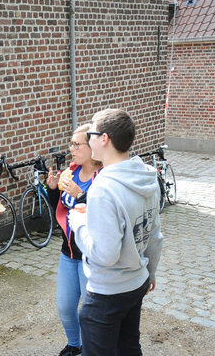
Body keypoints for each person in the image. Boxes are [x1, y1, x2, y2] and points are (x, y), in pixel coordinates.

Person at [69, 109, 163, 356]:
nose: (88, 140)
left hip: (107, 293)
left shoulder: (104, 188)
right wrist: (150, 272)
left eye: (91, 134)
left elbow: (105, 254)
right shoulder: (147, 177)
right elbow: (154, 235)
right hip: (137, 283)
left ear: (104, 139)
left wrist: (78, 223)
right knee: (129, 348)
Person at [47, 124, 103, 356]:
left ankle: (91, 349)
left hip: (90, 255)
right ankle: (74, 345)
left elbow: (103, 213)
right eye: (71, 143)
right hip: (68, 252)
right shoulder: (71, 172)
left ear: (91, 148)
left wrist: (81, 195)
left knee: (89, 312)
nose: (71, 149)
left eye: (76, 144)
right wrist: (52, 190)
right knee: (65, 307)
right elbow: (61, 210)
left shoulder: (103, 176)